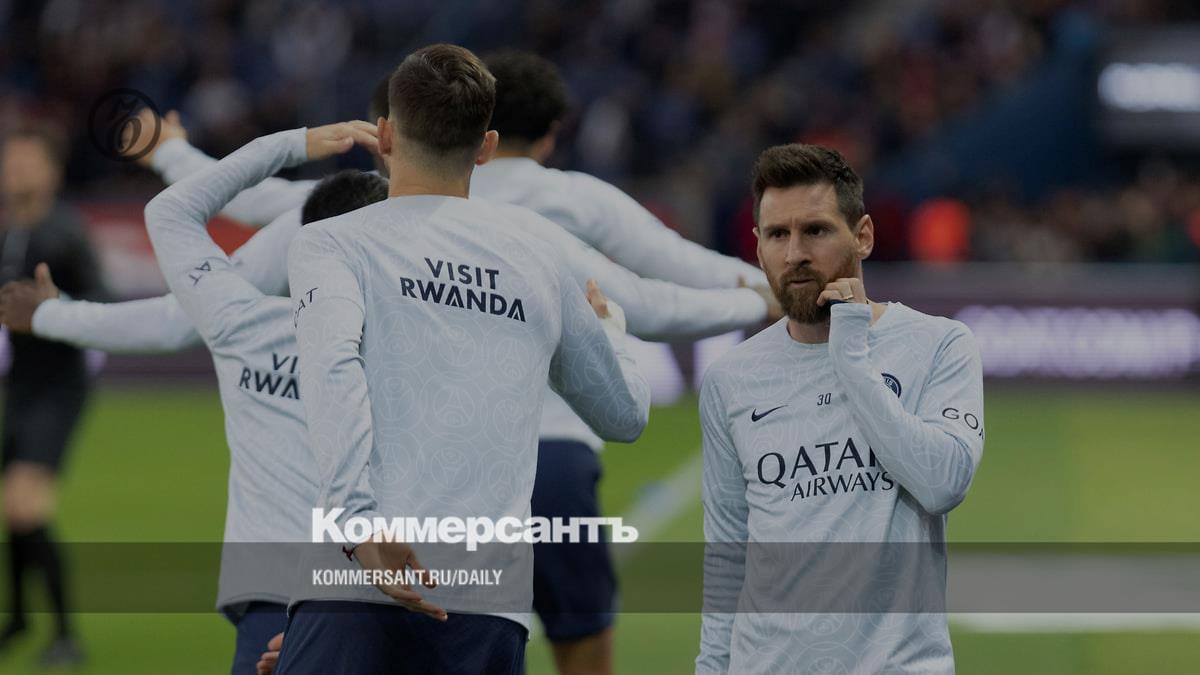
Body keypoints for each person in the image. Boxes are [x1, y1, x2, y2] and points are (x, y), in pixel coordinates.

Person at [274, 44, 650, 675]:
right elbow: (624, 416)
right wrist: (610, 326)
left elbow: (332, 373)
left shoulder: (331, 244)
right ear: (486, 147)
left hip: (353, 580)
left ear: (385, 135)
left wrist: (357, 525)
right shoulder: (539, 257)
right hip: (484, 604)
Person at [3, 121, 380, 674]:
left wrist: (292, 142)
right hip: (384, 578)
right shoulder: (421, 336)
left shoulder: (241, 323)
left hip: (273, 578)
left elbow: (175, 213)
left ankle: (49, 629)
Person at [695, 144, 985, 674]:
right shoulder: (729, 380)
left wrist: (850, 357)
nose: (795, 253)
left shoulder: (939, 345)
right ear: (757, 245)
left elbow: (943, 483)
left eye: (816, 231)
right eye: (777, 235)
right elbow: (728, 557)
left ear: (863, 235)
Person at [0, 123, 105, 666]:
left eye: (27, 161)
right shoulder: (9, 233)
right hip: (19, 388)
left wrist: (57, 306)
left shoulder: (64, 234)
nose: (15, 170)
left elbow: (103, 297)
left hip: (58, 390)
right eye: (10, 161)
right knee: (13, 510)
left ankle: (66, 636)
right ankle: (18, 618)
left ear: (52, 173)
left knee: (26, 505)